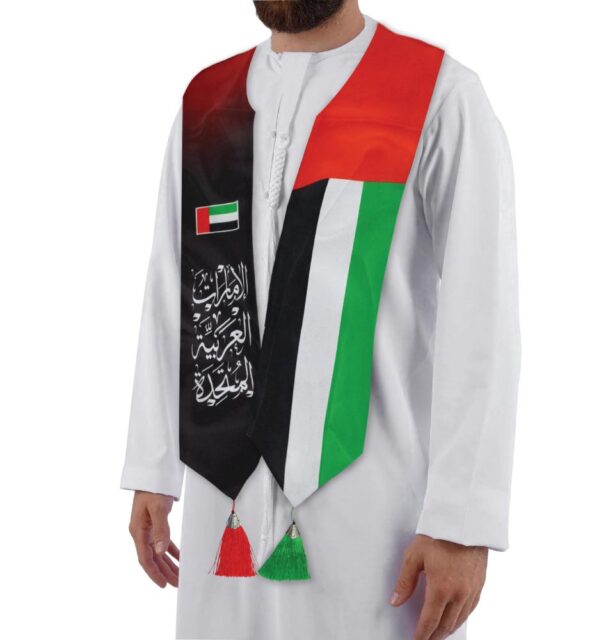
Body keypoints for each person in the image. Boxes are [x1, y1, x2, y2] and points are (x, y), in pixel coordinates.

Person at [121, 1, 521, 638]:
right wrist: (154, 466)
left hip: (378, 526)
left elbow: (483, 314)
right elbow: (172, 286)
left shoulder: (437, 95)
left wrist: (461, 522)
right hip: (223, 509)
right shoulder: (207, 103)